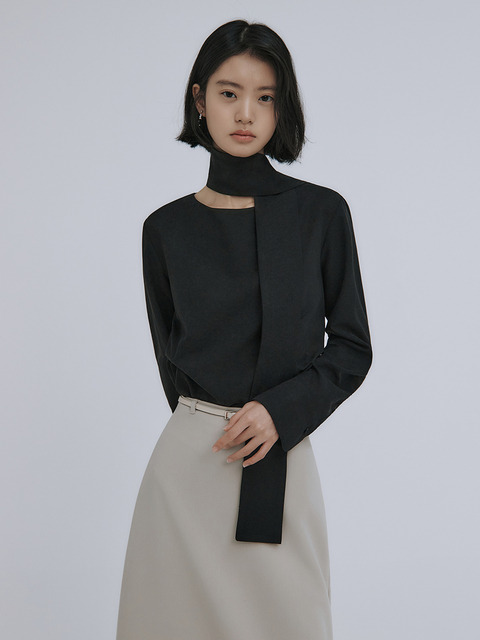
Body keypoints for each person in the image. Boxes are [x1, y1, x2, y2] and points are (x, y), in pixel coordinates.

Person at [116, 19, 373, 640]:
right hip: (187, 472)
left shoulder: (321, 213)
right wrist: (210, 420)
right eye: (229, 93)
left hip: (279, 455)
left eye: (265, 97)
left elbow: (352, 348)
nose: (246, 113)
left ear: (282, 109)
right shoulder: (164, 229)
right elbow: (170, 358)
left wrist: (280, 412)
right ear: (199, 99)